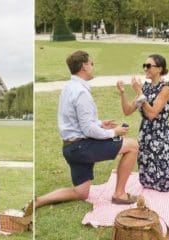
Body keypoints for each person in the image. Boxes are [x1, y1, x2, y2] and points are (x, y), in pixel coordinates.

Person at [35, 50, 139, 208]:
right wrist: (113, 132)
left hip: (70, 148)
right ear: (84, 66)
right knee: (132, 145)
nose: (93, 66)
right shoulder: (81, 92)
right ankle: (119, 194)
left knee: (81, 193)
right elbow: (88, 130)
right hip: (82, 147)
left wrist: (99, 124)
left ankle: (39, 201)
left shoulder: (68, 88)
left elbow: (76, 121)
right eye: (91, 63)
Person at [116, 54, 169, 192]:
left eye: (149, 66)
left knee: (163, 173)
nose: (145, 69)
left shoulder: (165, 88)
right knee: (147, 168)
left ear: (159, 69)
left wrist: (139, 92)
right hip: (145, 132)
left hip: (160, 133)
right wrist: (122, 93)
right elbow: (127, 111)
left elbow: (152, 113)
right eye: (144, 65)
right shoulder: (145, 87)